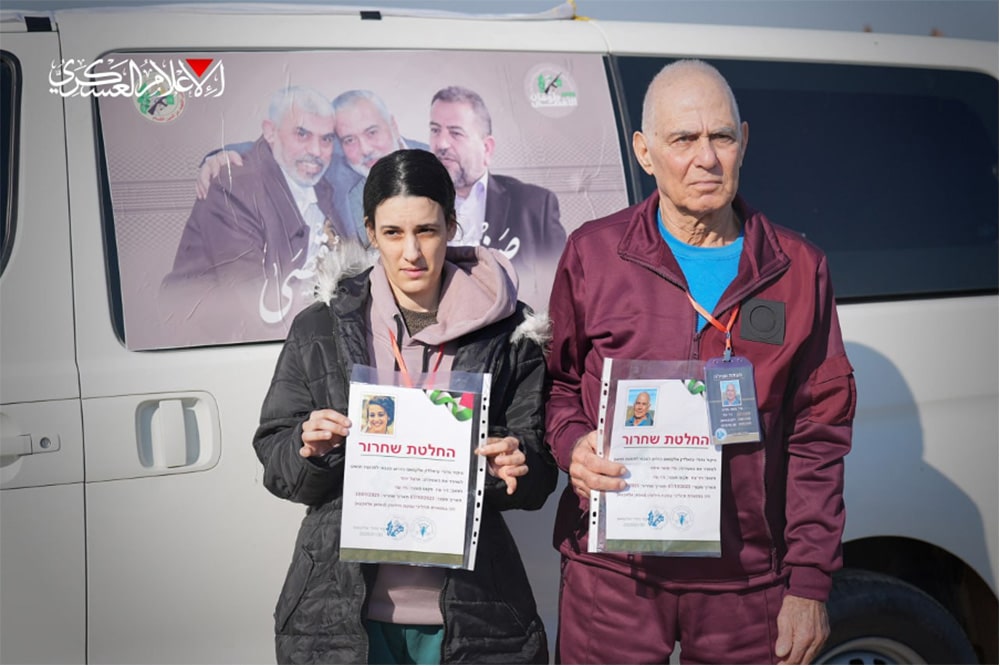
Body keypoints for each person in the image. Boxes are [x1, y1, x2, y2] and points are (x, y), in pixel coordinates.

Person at [545, 59, 856, 665]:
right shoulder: (594, 254)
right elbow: (557, 386)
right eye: (683, 139)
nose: (706, 158)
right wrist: (573, 446)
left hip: (747, 583)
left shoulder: (798, 268)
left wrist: (809, 583)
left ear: (744, 140)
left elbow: (819, 437)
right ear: (644, 151)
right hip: (614, 573)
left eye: (721, 136)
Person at [253, 148, 556, 664]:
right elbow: (277, 460)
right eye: (393, 233)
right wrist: (309, 447)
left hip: (471, 614)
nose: (411, 252)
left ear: (452, 225)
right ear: (371, 231)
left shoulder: (512, 335)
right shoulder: (320, 328)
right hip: (344, 615)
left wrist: (517, 464)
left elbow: (540, 469)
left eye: (428, 231)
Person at [162, 85, 348, 343]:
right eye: (302, 134)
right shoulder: (233, 188)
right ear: (270, 132)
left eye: (326, 138)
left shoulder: (326, 180)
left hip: (297, 334)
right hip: (219, 343)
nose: (316, 151)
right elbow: (256, 303)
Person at [196, 89, 428, 246]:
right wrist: (221, 156)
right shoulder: (337, 168)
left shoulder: (437, 162)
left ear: (394, 126)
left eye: (372, 132)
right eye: (349, 140)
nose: (365, 149)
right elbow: (281, 149)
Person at [429, 85, 566, 309]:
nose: (442, 144)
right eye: (435, 130)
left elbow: (561, 291)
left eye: (455, 133)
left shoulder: (533, 206)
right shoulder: (414, 206)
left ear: (487, 148)